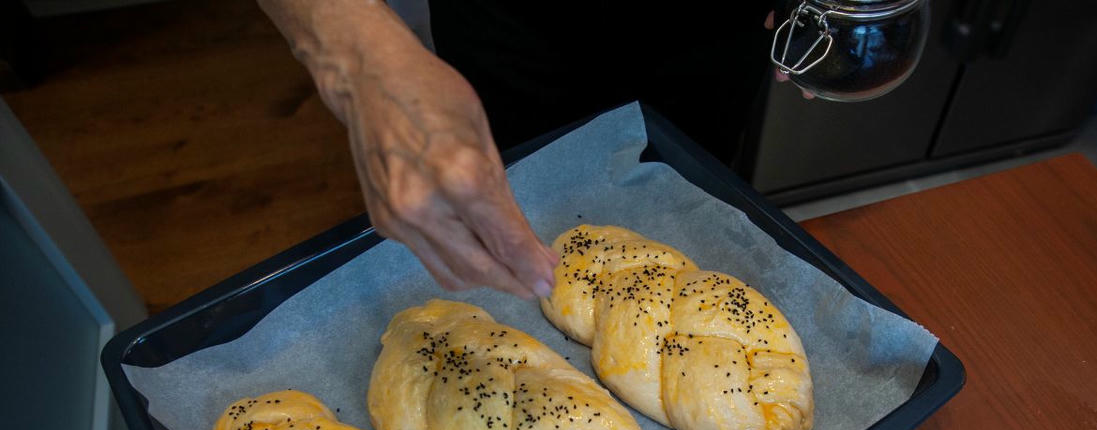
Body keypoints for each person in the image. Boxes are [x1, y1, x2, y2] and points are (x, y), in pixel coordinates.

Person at [257, 1, 781, 297]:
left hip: (725, 30)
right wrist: (356, 58)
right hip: (514, 19)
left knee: (695, 202)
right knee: (495, 216)